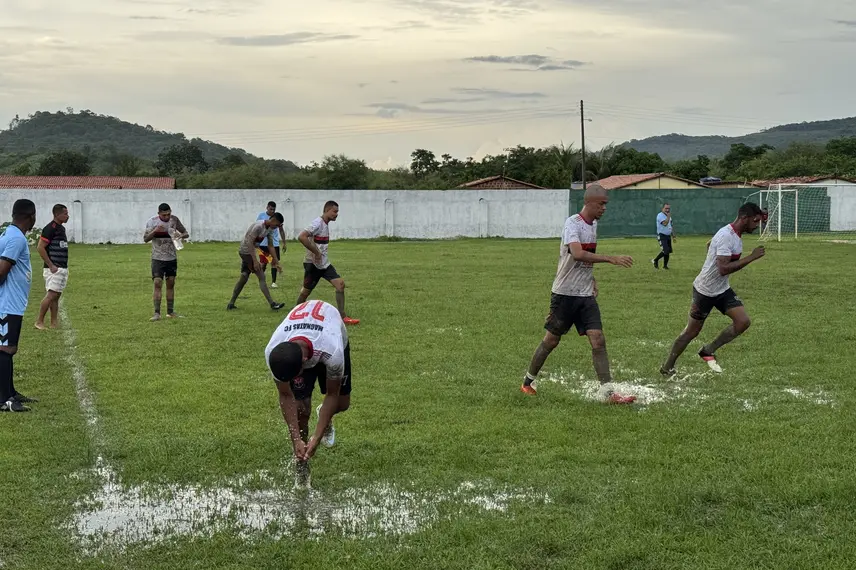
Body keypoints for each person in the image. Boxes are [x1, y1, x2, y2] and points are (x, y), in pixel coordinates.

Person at [520, 184, 637, 404]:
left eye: (605, 204)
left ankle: (608, 393)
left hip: (585, 295)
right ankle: (528, 381)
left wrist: (591, 278)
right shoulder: (572, 223)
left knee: (598, 340)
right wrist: (611, 258)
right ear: (590, 202)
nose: (604, 208)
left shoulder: (593, 225)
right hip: (565, 294)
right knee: (551, 340)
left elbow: (586, 257)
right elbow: (576, 253)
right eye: (602, 204)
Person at [660, 202, 765, 375]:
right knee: (691, 332)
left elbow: (709, 245)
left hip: (722, 289)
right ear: (744, 218)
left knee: (743, 322)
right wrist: (751, 257)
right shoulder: (726, 235)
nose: (756, 225)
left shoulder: (734, 235)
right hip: (705, 291)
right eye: (755, 221)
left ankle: (708, 350)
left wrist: (712, 254)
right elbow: (723, 268)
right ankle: (667, 366)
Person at [265, 299, 351, 469]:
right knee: (301, 409)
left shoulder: (333, 351)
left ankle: (325, 416)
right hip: (303, 337)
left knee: (341, 403)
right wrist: (296, 438)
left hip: (328, 333)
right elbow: (285, 394)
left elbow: (332, 394)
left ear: (304, 363)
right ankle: (301, 465)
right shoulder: (272, 350)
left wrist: (317, 437)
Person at [295, 201, 359, 325]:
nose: (337, 214)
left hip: (324, 264)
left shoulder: (325, 224)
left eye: (337, 212)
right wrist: (316, 253)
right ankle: (294, 314)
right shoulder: (317, 223)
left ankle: (343, 317)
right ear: (327, 210)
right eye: (335, 211)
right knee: (305, 292)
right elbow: (302, 236)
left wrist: (320, 255)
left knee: (340, 284)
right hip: (313, 264)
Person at [1, 199, 37, 412]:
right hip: (7, 304)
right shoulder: (16, 239)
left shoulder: (9, 233)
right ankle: (5, 399)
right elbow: (1, 271)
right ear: (31, 216)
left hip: (11, 303)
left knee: (8, 349)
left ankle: (10, 392)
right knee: (5, 348)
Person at [227, 214, 286, 311]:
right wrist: (255, 261)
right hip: (246, 251)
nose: (277, 227)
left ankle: (231, 303)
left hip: (249, 252)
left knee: (244, 277)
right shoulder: (259, 226)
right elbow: (249, 242)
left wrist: (276, 261)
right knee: (261, 276)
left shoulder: (270, 229)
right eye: (278, 225)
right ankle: (272, 304)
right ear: (273, 220)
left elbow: (270, 245)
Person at [143, 203, 189, 321]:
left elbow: (186, 233)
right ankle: (157, 313)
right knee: (157, 283)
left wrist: (180, 236)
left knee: (171, 283)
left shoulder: (174, 220)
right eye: (164, 215)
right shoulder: (152, 222)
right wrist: (155, 231)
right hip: (157, 258)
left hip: (171, 257)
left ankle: (170, 312)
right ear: (159, 214)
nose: (167, 217)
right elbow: (145, 239)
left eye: (169, 214)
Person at [35, 204, 70, 330]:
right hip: (54, 268)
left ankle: (54, 323)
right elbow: (40, 247)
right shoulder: (50, 228)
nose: (67, 216)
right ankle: (39, 321)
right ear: (57, 214)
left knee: (56, 296)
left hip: (62, 267)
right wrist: (51, 265)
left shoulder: (61, 228)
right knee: (51, 295)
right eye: (65, 213)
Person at [256, 201, 287, 288]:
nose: (272, 211)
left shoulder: (277, 217)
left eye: (274, 209)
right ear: (267, 207)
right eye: (271, 209)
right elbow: (258, 228)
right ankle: (261, 280)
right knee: (264, 262)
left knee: (274, 262)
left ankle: (273, 282)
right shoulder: (261, 216)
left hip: (274, 243)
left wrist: (284, 242)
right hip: (262, 244)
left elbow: (281, 230)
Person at [652, 203, 675, 269]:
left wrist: (673, 235)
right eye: (666, 208)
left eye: (668, 208)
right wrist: (668, 217)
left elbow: (671, 225)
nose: (667, 210)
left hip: (668, 236)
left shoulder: (669, 216)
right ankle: (655, 260)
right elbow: (665, 223)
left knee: (668, 251)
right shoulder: (660, 215)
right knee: (666, 250)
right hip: (662, 235)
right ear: (662, 209)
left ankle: (665, 266)